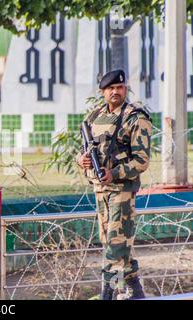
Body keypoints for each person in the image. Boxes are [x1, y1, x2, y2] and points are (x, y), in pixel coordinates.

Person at [76, 69, 152, 300]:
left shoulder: (135, 117)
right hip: (101, 190)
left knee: (116, 246)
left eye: (119, 88)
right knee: (111, 243)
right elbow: (82, 151)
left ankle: (108, 292)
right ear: (103, 92)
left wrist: (115, 172)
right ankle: (135, 290)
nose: (115, 92)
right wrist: (82, 160)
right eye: (110, 88)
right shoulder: (93, 117)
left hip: (122, 190)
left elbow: (142, 160)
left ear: (125, 89)